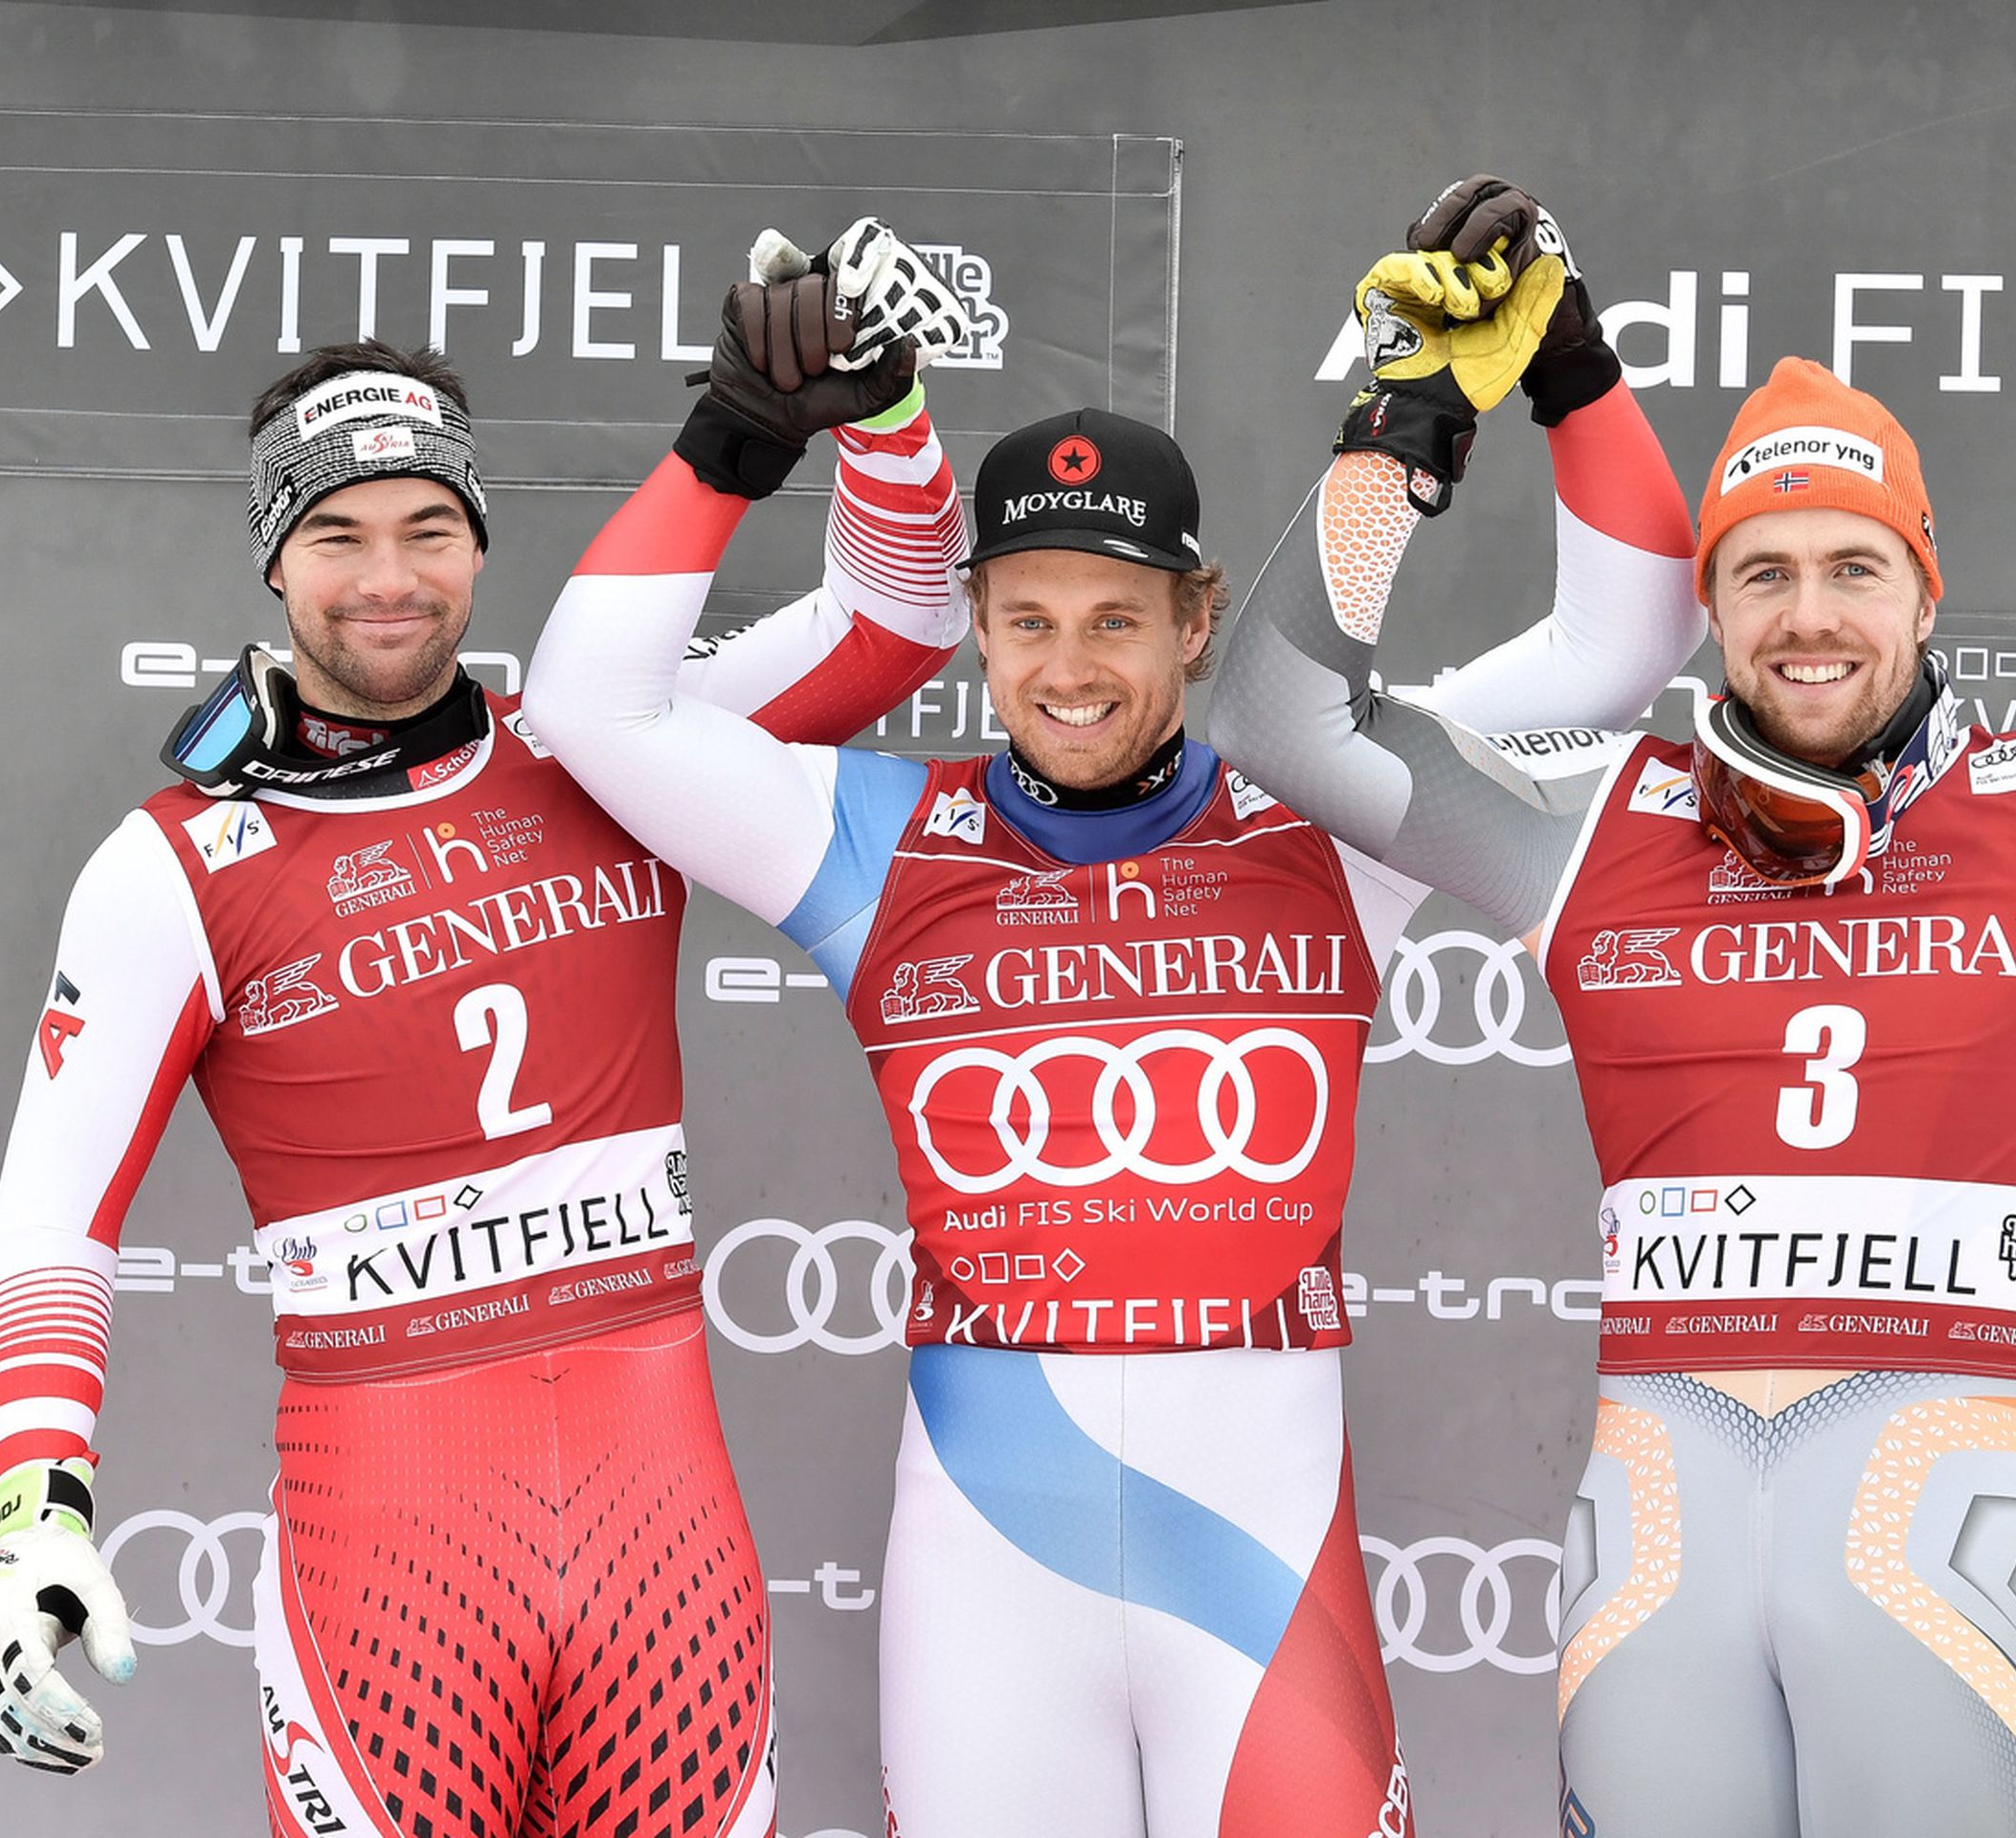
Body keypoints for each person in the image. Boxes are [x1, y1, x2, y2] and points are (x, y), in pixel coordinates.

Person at [1208, 199, 2016, 1837]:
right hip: (1656, 1543)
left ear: (1924, 584)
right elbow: (1275, 715)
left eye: (1852, 567)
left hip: (1934, 1529)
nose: (1807, 614)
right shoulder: (1592, 822)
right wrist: (1405, 423)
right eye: (1761, 574)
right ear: (1715, 604)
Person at [521, 189, 1703, 1837]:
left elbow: (1618, 646)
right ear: (981, 635)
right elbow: (586, 706)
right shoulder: (868, 832)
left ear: (1200, 622)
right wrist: (733, 438)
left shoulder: (1330, 815)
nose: (1070, 669)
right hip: (988, 1558)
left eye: (1118, 620)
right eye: (1027, 622)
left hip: (1263, 1537)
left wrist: (1570, 369)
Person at [0, 219, 975, 1836]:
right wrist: (36, 1510)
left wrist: (888, 413)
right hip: (388, 1549)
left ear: (482, 547)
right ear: (272, 560)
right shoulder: (169, 865)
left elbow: (899, 626)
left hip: (665, 1540)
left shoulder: (603, 747)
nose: (387, 578)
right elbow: (49, 1226)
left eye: (429, 528)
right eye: (340, 533)